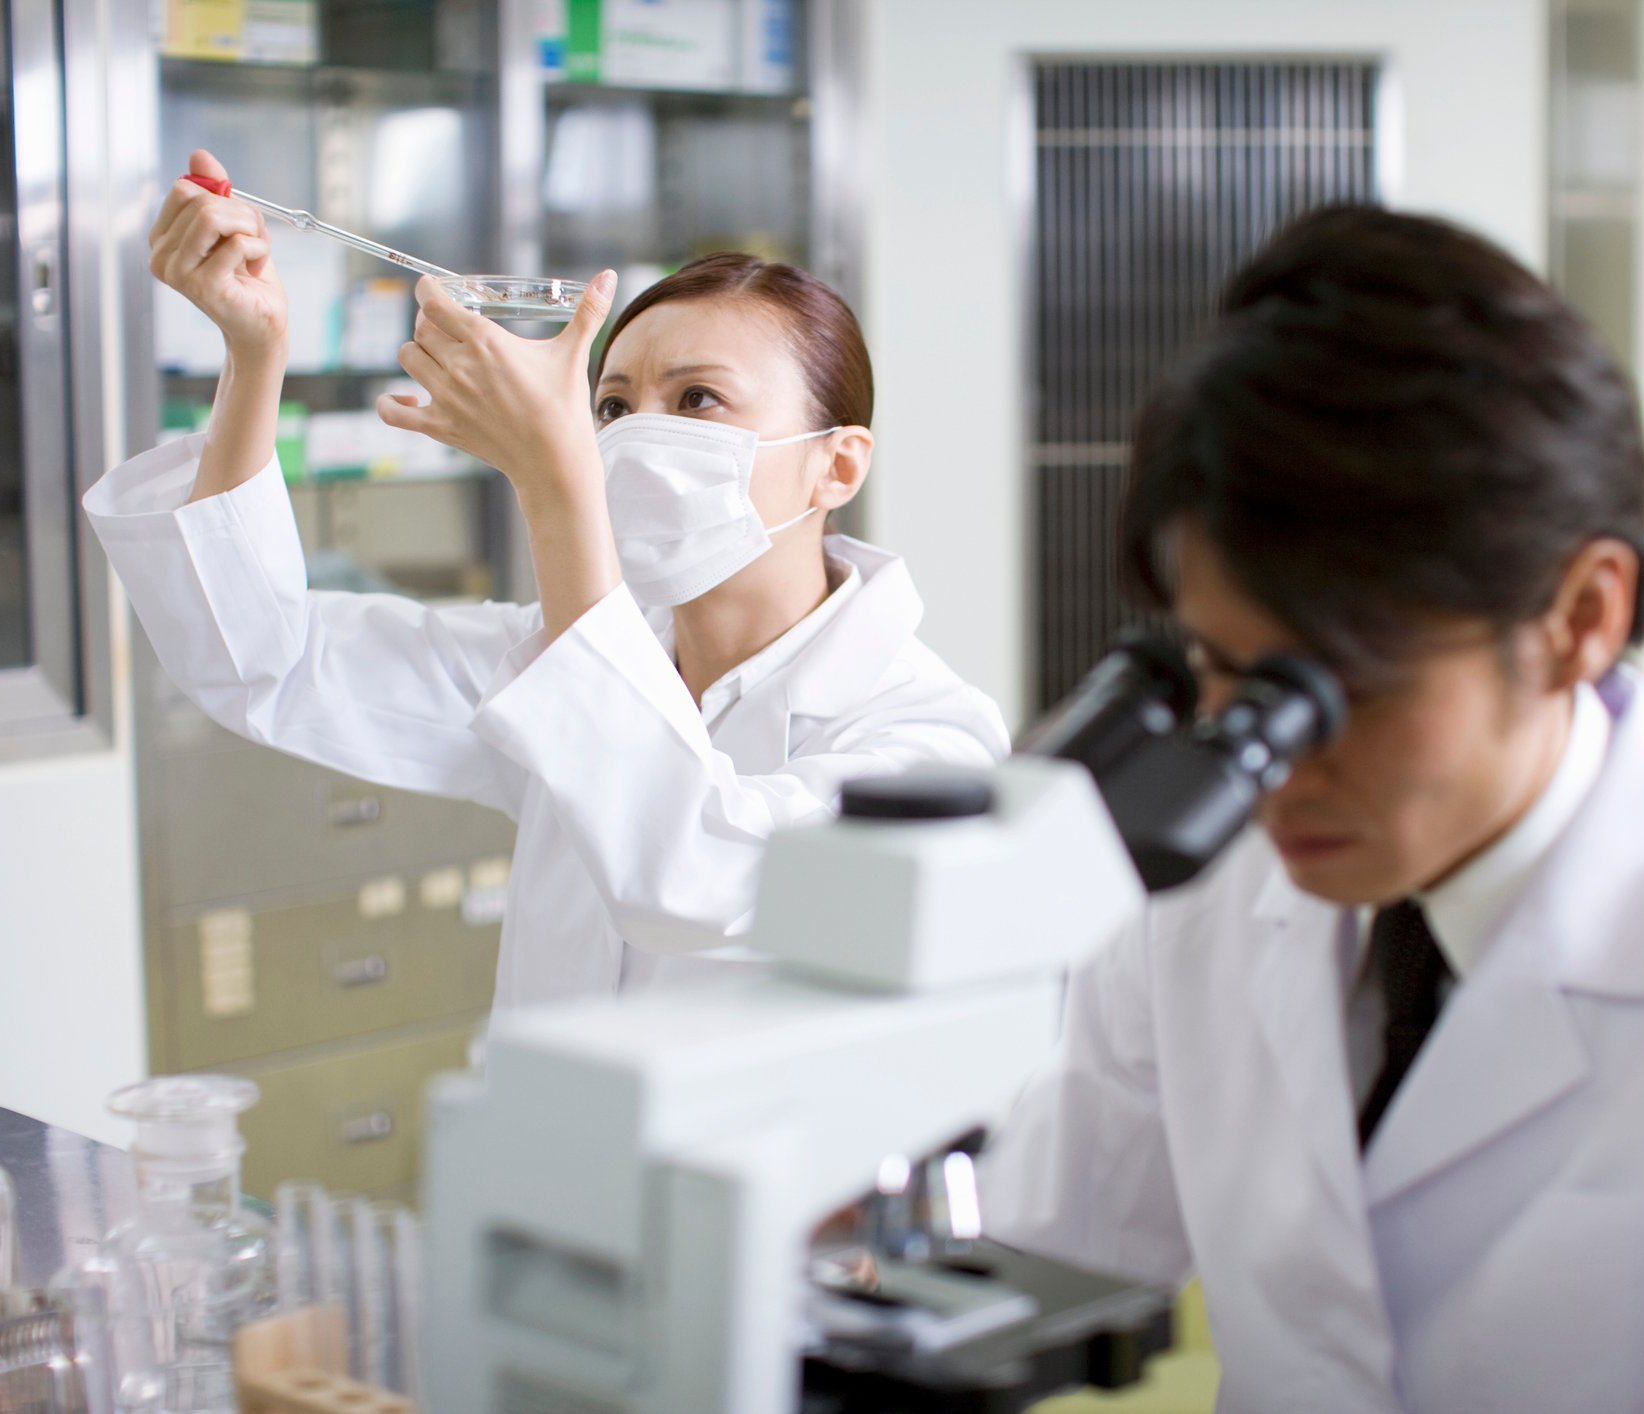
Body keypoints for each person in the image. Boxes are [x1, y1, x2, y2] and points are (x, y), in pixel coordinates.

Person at [981, 207, 1644, 1412]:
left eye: (1333, 682)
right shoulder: (1200, 894)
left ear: (1580, 618)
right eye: (1218, 671)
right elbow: (1033, 1266)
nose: (1271, 763)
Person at [85, 150, 1007, 1006]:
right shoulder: (555, 660)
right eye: (612, 406)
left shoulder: (931, 740)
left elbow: (689, 871)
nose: (638, 435)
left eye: (697, 399)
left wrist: (554, 484)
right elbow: (261, 660)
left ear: (837, 467)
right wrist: (255, 355)